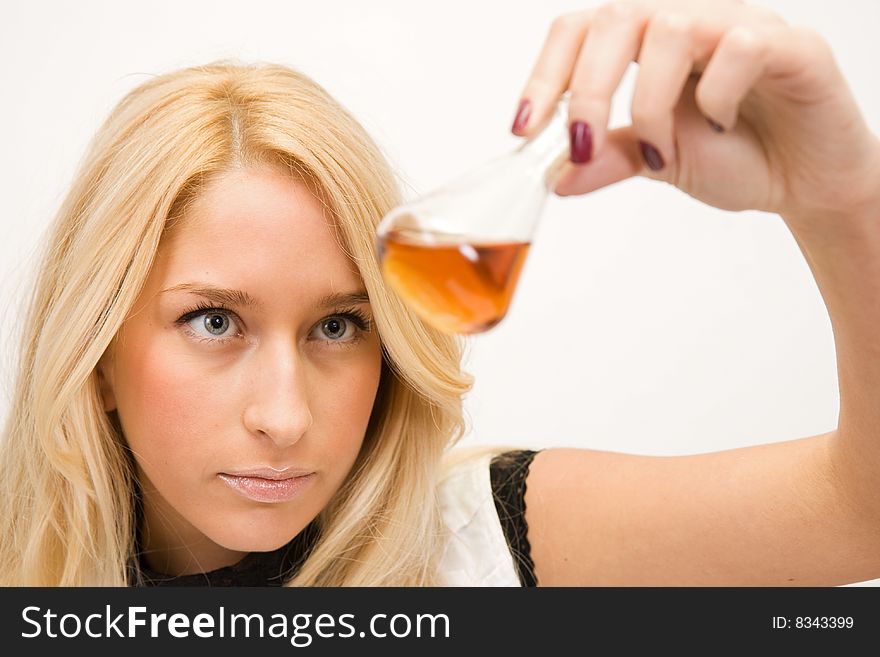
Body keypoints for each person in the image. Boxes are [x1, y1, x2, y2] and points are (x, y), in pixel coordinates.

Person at [1, 0, 878, 586]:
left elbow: (861, 514)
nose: (285, 416)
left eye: (339, 325)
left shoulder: (484, 543)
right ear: (98, 355)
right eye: (216, 320)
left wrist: (842, 199)